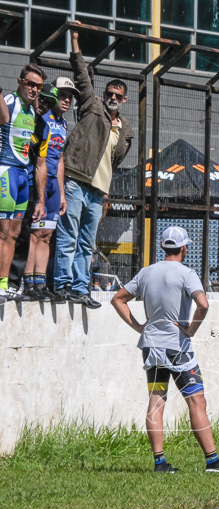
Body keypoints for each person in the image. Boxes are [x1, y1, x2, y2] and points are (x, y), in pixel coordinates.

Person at [111, 226, 219, 474]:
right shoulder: (186, 273)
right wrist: (191, 329)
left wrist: (139, 326)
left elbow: (118, 298)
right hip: (177, 347)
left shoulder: (146, 273)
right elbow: (203, 303)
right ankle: (212, 461)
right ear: (184, 248)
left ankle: (160, 462)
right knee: (196, 400)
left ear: (162, 247)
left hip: (151, 347)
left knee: (157, 400)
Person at [55, 25, 135, 309]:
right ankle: (62, 284)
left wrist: (105, 196)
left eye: (118, 95)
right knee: (68, 234)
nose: (113, 97)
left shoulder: (125, 129)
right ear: (105, 93)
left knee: (87, 242)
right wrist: (75, 42)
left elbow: (114, 162)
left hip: (98, 189)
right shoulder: (92, 103)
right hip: (77, 179)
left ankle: (79, 287)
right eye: (110, 92)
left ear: (125, 100)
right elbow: (80, 72)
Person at [22, 80, 75, 301]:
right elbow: (38, 160)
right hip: (39, 182)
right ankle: (28, 284)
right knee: (35, 234)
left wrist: (62, 194)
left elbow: (60, 159)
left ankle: (41, 283)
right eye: (62, 95)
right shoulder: (42, 120)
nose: (66, 100)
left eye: (70, 97)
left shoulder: (63, 125)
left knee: (47, 234)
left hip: (54, 185)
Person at [0, 64, 48, 302]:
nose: (34, 89)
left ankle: (4, 283)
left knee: (15, 233)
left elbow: (40, 161)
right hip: (5, 170)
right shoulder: (9, 99)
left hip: (22, 177)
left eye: (38, 86)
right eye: (30, 83)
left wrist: (40, 199)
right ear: (20, 81)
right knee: (3, 231)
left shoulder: (32, 114)